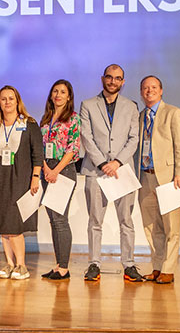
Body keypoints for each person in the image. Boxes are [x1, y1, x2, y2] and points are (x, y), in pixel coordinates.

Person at [79, 64, 143, 282]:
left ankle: (129, 264)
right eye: (109, 77)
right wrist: (102, 163)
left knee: (126, 221)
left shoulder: (131, 106)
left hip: (122, 171)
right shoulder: (87, 105)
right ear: (102, 79)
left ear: (123, 82)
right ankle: (94, 264)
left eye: (118, 78)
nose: (113, 81)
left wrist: (116, 162)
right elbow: (86, 137)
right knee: (95, 221)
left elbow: (134, 138)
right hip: (96, 171)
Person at [136, 75, 180, 284]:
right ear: (141, 92)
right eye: (145, 88)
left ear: (161, 91)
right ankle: (157, 266)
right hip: (145, 176)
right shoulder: (140, 116)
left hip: (169, 178)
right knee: (151, 226)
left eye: (154, 87)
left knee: (171, 226)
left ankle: (169, 268)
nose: (149, 91)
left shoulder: (173, 113)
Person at [0, 85, 42, 280]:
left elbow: (37, 154)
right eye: (3, 99)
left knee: (14, 224)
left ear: (17, 101)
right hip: (0, 180)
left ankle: (22, 266)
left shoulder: (30, 124)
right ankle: (9, 265)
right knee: (3, 225)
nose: (7, 102)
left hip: (21, 179)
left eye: (11, 98)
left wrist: (35, 177)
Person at [38, 80, 81, 281]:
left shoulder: (73, 118)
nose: (58, 95)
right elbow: (39, 146)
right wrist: (46, 168)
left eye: (63, 92)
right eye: (55, 91)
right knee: (53, 219)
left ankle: (64, 268)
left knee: (61, 220)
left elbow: (73, 148)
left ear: (69, 96)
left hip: (63, 170)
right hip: (47, 170)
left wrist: (56, 170)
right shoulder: (46, 119)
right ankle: (58, 265)